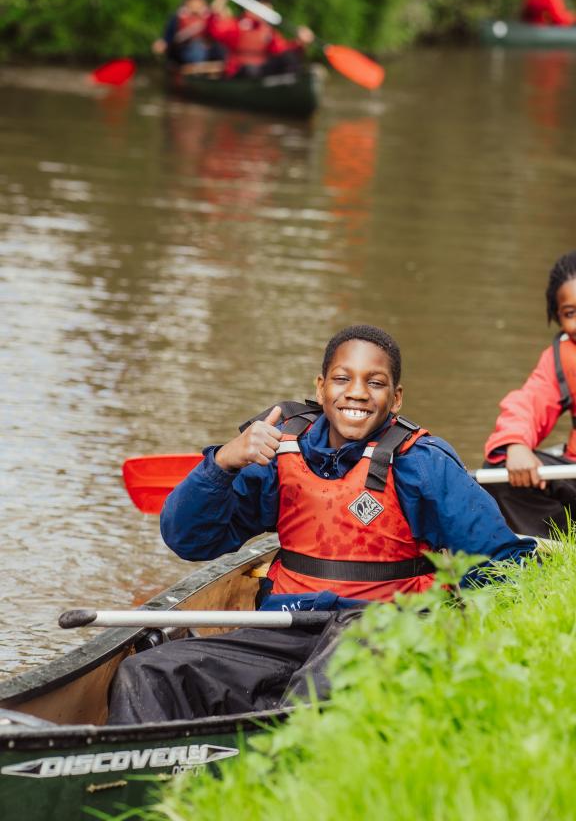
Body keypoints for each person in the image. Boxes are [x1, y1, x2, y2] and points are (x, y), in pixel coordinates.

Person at [107, 324, 536, 724]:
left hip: (379, 636)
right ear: (321, 387)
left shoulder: (422, 465)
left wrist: (455, 634)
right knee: (147, 673)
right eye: (342, 379)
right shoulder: (278, 453)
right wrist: (222, 463)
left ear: (396, 398)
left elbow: (504, 564)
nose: (357, 393)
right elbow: (187, 538)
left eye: (375, 382)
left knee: (321, 684)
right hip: (284, 632)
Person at [484, 251, 576, 538]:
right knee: (500, 472)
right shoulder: (561, 357)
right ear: (557, 317)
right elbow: (530, 401)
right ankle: (554, 544)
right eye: (571, 313)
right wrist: (516, 443)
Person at [206, 0, 315, 78]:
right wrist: (219, 0)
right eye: (265, 6)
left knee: (288, 57)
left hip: (261, 71)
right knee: (250, 70)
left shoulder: (267, 30)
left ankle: (291, 84)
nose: (269, 9)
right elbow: (214, 31)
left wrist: (300, 42)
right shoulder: (236, 25)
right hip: (241, 71)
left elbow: (282, 49)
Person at [152, 0, 224, 65]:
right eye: (193, 0)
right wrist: (161, 44)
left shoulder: (209, 17)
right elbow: (168, 37)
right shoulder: (178, 17)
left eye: (199, 0)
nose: (196, 3)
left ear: (204, 2)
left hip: (207, 51)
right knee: (195, 48)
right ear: (187, 2)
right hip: (183, 51)